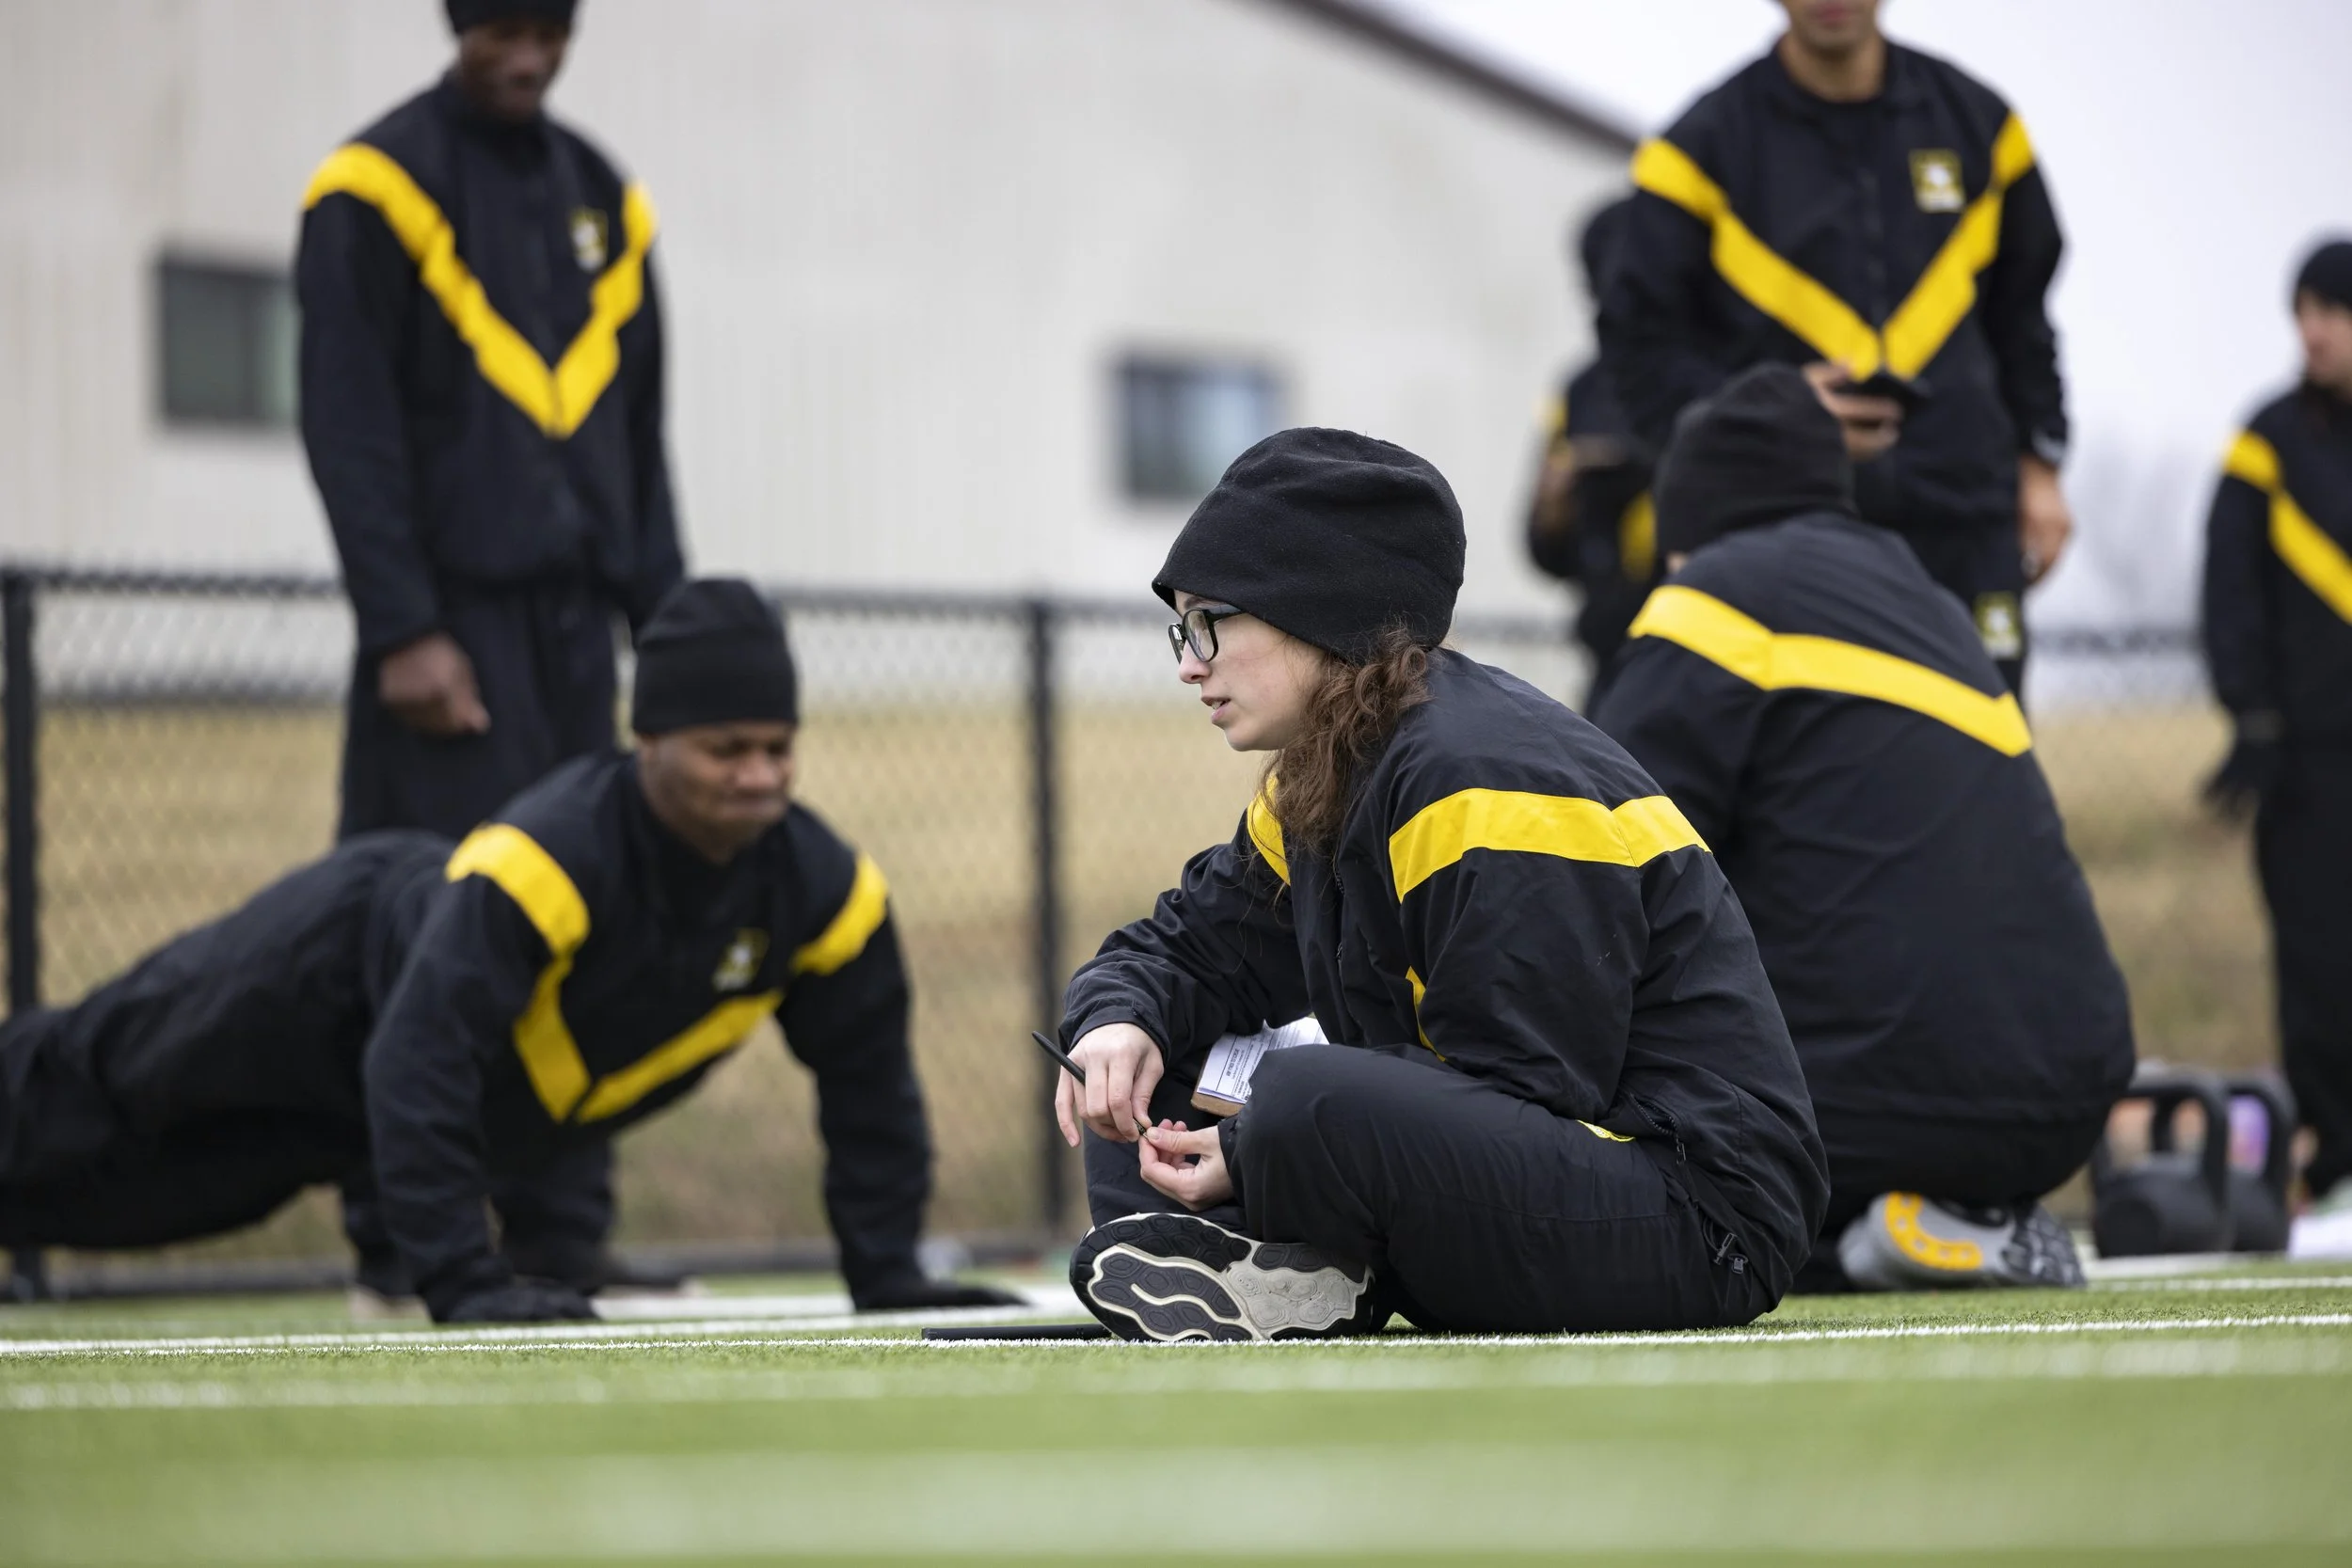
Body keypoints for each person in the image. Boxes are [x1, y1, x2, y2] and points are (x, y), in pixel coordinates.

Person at [0, 581, 1018, 1323]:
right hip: (312, 977)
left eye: (777, 748)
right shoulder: (549, 857)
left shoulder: (826, 893)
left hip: (355, 1114)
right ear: (649, 740)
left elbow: (870, 1084)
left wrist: (886, 1270)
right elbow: (422, 1053)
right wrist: (463, 1279)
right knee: (83, 1085)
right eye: (727, 748)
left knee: (124, 1197)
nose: (759, 775)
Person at [1048, 428, 1827, 1342]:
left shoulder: (1483, 771)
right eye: (1182, 630)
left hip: (1693, 1212)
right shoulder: (1322, 774)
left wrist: (1253, 1146)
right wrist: (1115, 1024)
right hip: (1533, 1176)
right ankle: (1276, 1282)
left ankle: (1292, 1268)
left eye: (1210, 621)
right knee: (1148, 1074)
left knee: (1301, 1099)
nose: (1189, 661)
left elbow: (1531, 1082)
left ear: (1314, 604)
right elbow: (1188, 947)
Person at [1590, 365, 2134, 1291]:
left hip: (1860, 1105)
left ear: (1694, 519)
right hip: (2062, 1099)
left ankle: (1836, 1246)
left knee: (1637, 1178)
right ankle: (1960, 1216)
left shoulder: (1715, 594)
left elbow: (1593, 849)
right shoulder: (1928, 604)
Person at [296, 0, 685, 1291]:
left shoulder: (604, 201)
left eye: (549, 31)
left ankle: (565, 1229)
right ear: (456, 23)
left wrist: (669, 644)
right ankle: (402, 1237)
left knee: (586, 923)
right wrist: (402, 625)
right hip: (444, 637)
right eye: (499, 31)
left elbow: (638, 441)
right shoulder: (373, 188)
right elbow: (347, 426)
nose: (525, 57)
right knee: (423, 926)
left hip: (579, 636)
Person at [1599, 0, 2071, 691]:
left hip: (1965, 519)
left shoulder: (1982, 127)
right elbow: (1637, 344)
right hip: (1780, 523)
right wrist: (1771, 415)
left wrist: (2043, 464)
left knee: (1990, 752)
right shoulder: (1695, 152)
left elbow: (2023, 315)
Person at [2202, 240, 2352, 1247]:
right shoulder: (2265, 441)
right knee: (2319, 964)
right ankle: (2335, 1165)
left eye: (2331, 310)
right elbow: (2227, 588)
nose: (2312, 329)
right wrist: (2251, 719)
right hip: (2309, 757)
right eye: (2303, 309)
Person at [1525, 198, 1660, 689]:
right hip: (1607, 655)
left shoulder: (1712, 378)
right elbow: (1541, 549)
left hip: (1699, 646)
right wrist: (1557, 502)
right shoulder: (1581, 390)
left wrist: (1634, 471)